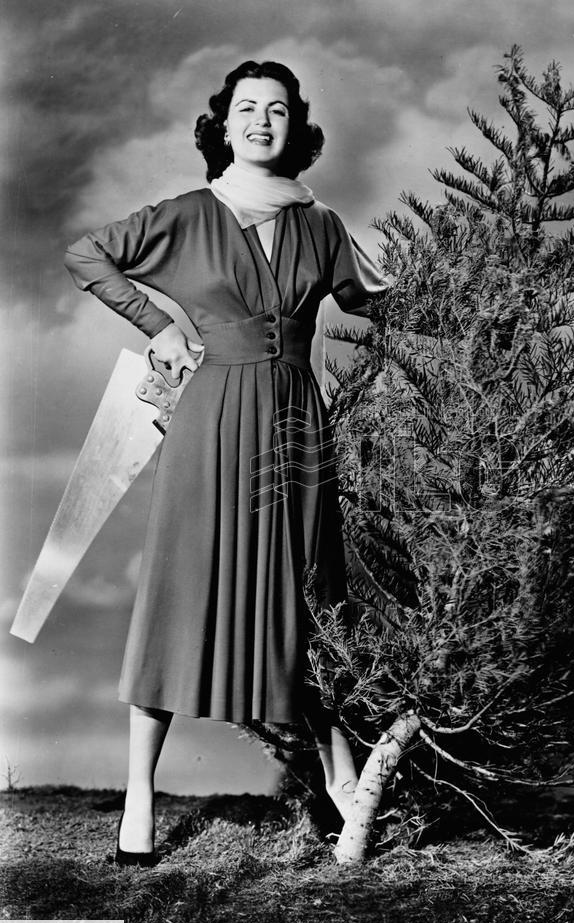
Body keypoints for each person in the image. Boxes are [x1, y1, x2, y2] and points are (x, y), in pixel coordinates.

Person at [64, 60, 387, 866]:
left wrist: (476, 297)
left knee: (310, 598)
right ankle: (139, 798)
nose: (261, 120)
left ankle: (342, 780)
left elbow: (373, 300)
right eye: (247, 107)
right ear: (224, 123)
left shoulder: (323, 225)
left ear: (296, 127)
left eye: (277, 109)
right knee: (180, 597)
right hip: (211, 423)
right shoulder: (188, 214)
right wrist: (158, 324)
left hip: (296, 425)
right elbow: (88, 255)